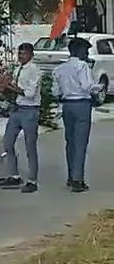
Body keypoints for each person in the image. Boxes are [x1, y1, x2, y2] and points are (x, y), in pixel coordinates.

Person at [53, 37, 101, 193]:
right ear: (79, 50)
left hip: (67, 105)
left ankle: (70, 175)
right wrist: (99, 87)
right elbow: (87, 86)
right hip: (81, 104)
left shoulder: (60, 69)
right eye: (85, 50)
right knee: (80, 143)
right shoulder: (82, 66)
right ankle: (77, 179)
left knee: (70, 142)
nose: (87, 53)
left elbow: (55, 91)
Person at [0, 43, 43, 194]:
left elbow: (29, 93)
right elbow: (14, 89)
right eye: (20, 53)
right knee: (8, 142)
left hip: (30, 110)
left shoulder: (34, 70)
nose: (21, 56)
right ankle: (14, 175)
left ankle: (32, 180)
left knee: (30, 145)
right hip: (17, 109)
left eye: (24, 54)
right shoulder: (18, 69)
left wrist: (11, 87)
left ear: (31, 55)